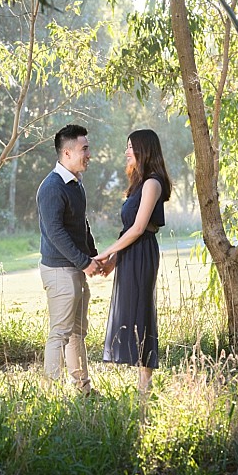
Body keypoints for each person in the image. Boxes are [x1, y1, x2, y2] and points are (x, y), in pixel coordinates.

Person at [94, 129, 171, 394]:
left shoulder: (152, 183)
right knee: (132, 310)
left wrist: (104, 253)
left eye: (130, 147)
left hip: (143, 253)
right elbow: (128, 231)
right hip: (131, 253)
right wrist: (113, 261)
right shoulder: (138, 184)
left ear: (143, 149)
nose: (126, 151)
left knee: (142, 311)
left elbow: (139, 229)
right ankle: (140, 380)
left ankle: (145, 385)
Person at [36, 124, 102, 395]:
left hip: (74, 267)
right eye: (84, 149)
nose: (89, 154)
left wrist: (94, 256)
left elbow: (80, 225)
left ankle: (83, 389)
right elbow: (56, 233)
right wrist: (84, 262)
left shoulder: (75, 184)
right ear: (67, 152)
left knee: (77, 332)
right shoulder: (52, 187)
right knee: (60, 333)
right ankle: (49, 395)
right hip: (60, 270)